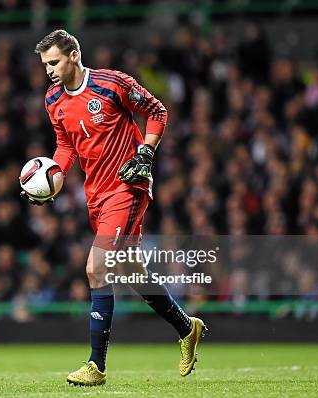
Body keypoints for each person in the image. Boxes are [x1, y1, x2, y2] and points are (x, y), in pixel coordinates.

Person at [22, 29, 207, 386]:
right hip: (97, 193)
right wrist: (53, 178)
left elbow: (156, 111)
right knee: (131, 269)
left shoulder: (112, 83)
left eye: (55, 62)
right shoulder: (53, 100)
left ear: (74, 55)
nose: (49, 70)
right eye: (45, 64)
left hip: (128, 184)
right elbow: (66, 146)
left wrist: (146, 153)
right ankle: (187, 328)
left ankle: (96, 365)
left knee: (97, 267)